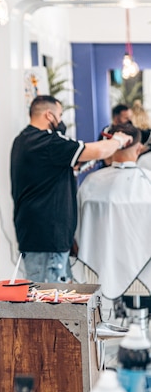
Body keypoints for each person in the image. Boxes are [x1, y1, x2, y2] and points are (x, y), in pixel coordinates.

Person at [10, 95, 133, 284]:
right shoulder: (47, 142)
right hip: (47, 239)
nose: (60, 121)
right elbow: (99, 151)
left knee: (49, 301)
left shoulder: (23, 140)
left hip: (39, 236)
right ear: (49, 115)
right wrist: (118, 140)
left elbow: (45, 175)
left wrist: (76, 167)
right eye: (59, 115)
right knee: (48, 305)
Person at [76, 123, 151, 300]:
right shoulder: (148, 181)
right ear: (139, 148)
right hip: (145, 275)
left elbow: (77, 228)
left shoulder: (91, 182)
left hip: (98, 269)